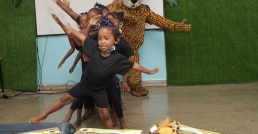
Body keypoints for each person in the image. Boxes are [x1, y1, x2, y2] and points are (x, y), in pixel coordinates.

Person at [29, 21, 160, 128]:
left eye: (106, 38)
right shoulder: (94, 48)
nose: (102, 41)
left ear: (115, 41)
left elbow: (134, 65)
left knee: (105, 115)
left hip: (99, 90)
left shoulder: (117, 58)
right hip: (85, 84)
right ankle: (42, 115)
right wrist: (72, 31)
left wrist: (149, 71)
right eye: (100, 38)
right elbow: (82, 38)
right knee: (64, 100)